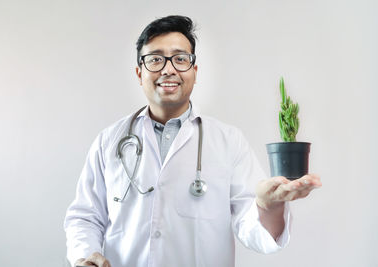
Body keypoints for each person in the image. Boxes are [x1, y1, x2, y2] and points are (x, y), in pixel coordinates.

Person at [64, 15, 322, 267]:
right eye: (155, 59)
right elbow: (85, 216)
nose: (168, 69)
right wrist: (85, 256)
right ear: (138, 72)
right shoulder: (109, 141)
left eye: (180, 59)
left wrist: (268, 207)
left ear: (194, 71)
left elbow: (250, 227)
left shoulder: (228, 141)